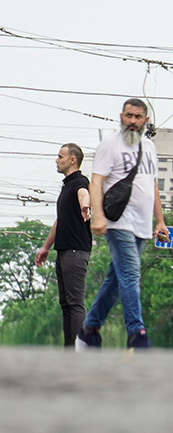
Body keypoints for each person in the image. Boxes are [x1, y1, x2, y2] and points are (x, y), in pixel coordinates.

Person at [77, 99, 167, 350]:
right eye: (128, 115)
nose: (132, 121)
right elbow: (96, 182)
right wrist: (98, 216)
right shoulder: (110, 145)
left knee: (116, 280)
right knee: (130, 275)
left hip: (141, 224)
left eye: (138, 117)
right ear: (121, 116)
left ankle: (89, 329)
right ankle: (137, 335)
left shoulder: (148, 146)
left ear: (145, 121)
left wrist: (159, 221)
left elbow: (152, 187)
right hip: (118, 221)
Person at [34, 143, 91, 347]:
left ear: (72, 160)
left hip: (76, 251)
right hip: (64, 250)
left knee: (75, 303)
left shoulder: (80, 181)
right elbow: (60, 221)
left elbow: (84, 193)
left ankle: (79, 348)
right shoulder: (67, 186)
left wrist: (85, 204)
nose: (56, 160)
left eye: (60, 156)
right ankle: (69, 349)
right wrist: (46, 247)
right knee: (66, 304)